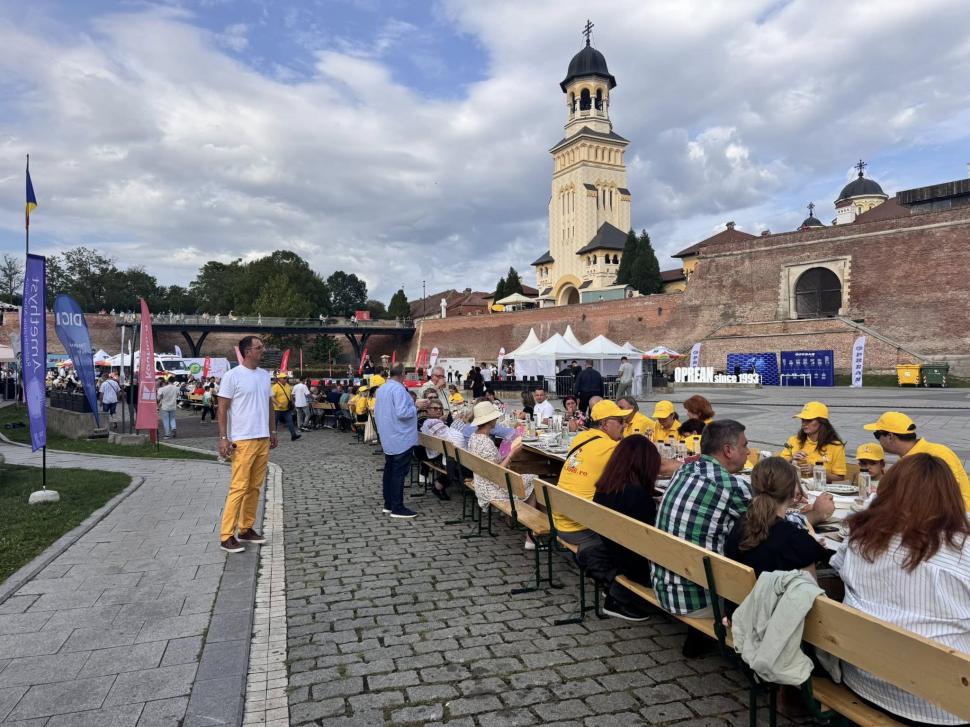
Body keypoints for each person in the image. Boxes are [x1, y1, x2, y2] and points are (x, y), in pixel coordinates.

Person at [832, 454, 970, 725]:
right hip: (944, 706)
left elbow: (838, 567)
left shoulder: (860, 538)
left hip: (864, 678)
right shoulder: (962, 551)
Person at [651, 420, 751, 654]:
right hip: (696, 600)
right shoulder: (733, 486)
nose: (748, 451)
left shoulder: (684, 470)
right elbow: (776, 522)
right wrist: (815, 514)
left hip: (664, 585)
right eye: (745, 445)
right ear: (728, 450)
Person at [217, 335, 277, 553]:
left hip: (262, 437)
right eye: (259, 347)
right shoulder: (232, 376)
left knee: (254, 487)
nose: (263, 350)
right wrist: (224, 438)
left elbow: (270, 405)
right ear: (247, 351)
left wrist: (272, 430)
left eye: (263, 346)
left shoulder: (264, 375)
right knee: (239, 487)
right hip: (242, 439)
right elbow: (222, 408)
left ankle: (246, 528)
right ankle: (226, 535)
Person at [594, 435, 661, 621]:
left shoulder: (605, 485)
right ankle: (620, 595)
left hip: (611, 552)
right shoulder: (637, 495)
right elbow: (649, 536)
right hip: (635, 566)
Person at [725, 456, 828, 577]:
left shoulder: (739, 525)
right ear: (793, 491)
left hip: (742, 594)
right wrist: (809, 547)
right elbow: (812, 592)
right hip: (778, 595)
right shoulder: (796, 541)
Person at [553, 400, 627, 550]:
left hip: (560, 519)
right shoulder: (610, 447)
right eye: (620, 421)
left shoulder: (581, 438)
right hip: (581, 527)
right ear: (605, 424)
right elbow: (652, 467)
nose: (625, 425)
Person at [863, 411, 970, 510]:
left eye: (877, 435)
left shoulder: (937, 454)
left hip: (956, 517)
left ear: (890, 436)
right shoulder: (906, 457)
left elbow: (945, 498)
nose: (877, 440)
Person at [468, 401, 536, 549]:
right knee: (535, 481)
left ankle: (523, 525)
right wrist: (512, 453)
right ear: (490, 420)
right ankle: (531, 535)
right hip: (490, 487)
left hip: (482, 482)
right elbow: (497, 472)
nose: (496, 420)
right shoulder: (485, 442)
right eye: (494, 418)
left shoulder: (475, 437)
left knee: (529, 477)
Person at [374, 363, 418, 518]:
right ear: (402, 374)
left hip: (388, 436)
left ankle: (388, 503)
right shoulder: (399, 389)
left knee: (390, 471)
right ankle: (397, 507)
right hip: (401, 437)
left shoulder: (381, 389)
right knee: (398, 473)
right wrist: (415, 406)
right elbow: (402, 412)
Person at [780, 402, 846, 482]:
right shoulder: (793, 440)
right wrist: (792, 458)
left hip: (821, 490)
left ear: (822, 422)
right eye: (803, 420)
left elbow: (840, 478)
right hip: (794, 486)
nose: (804, 423)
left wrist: (816, 471)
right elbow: (777, 464)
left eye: (809, 420)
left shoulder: (836, 446)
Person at [271, 372, 301, 441]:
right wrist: (277, 403)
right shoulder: (275, 387)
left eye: (286, 378)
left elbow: (290, 395)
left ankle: (293, 435)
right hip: (277, 409)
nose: (286, 379)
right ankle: (273, 437)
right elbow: (272, 397)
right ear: (280, 379)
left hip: (286, 408)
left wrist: (293, 403)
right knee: (274, 424)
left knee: (290, 421)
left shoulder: (288, 385)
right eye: (284, 378)